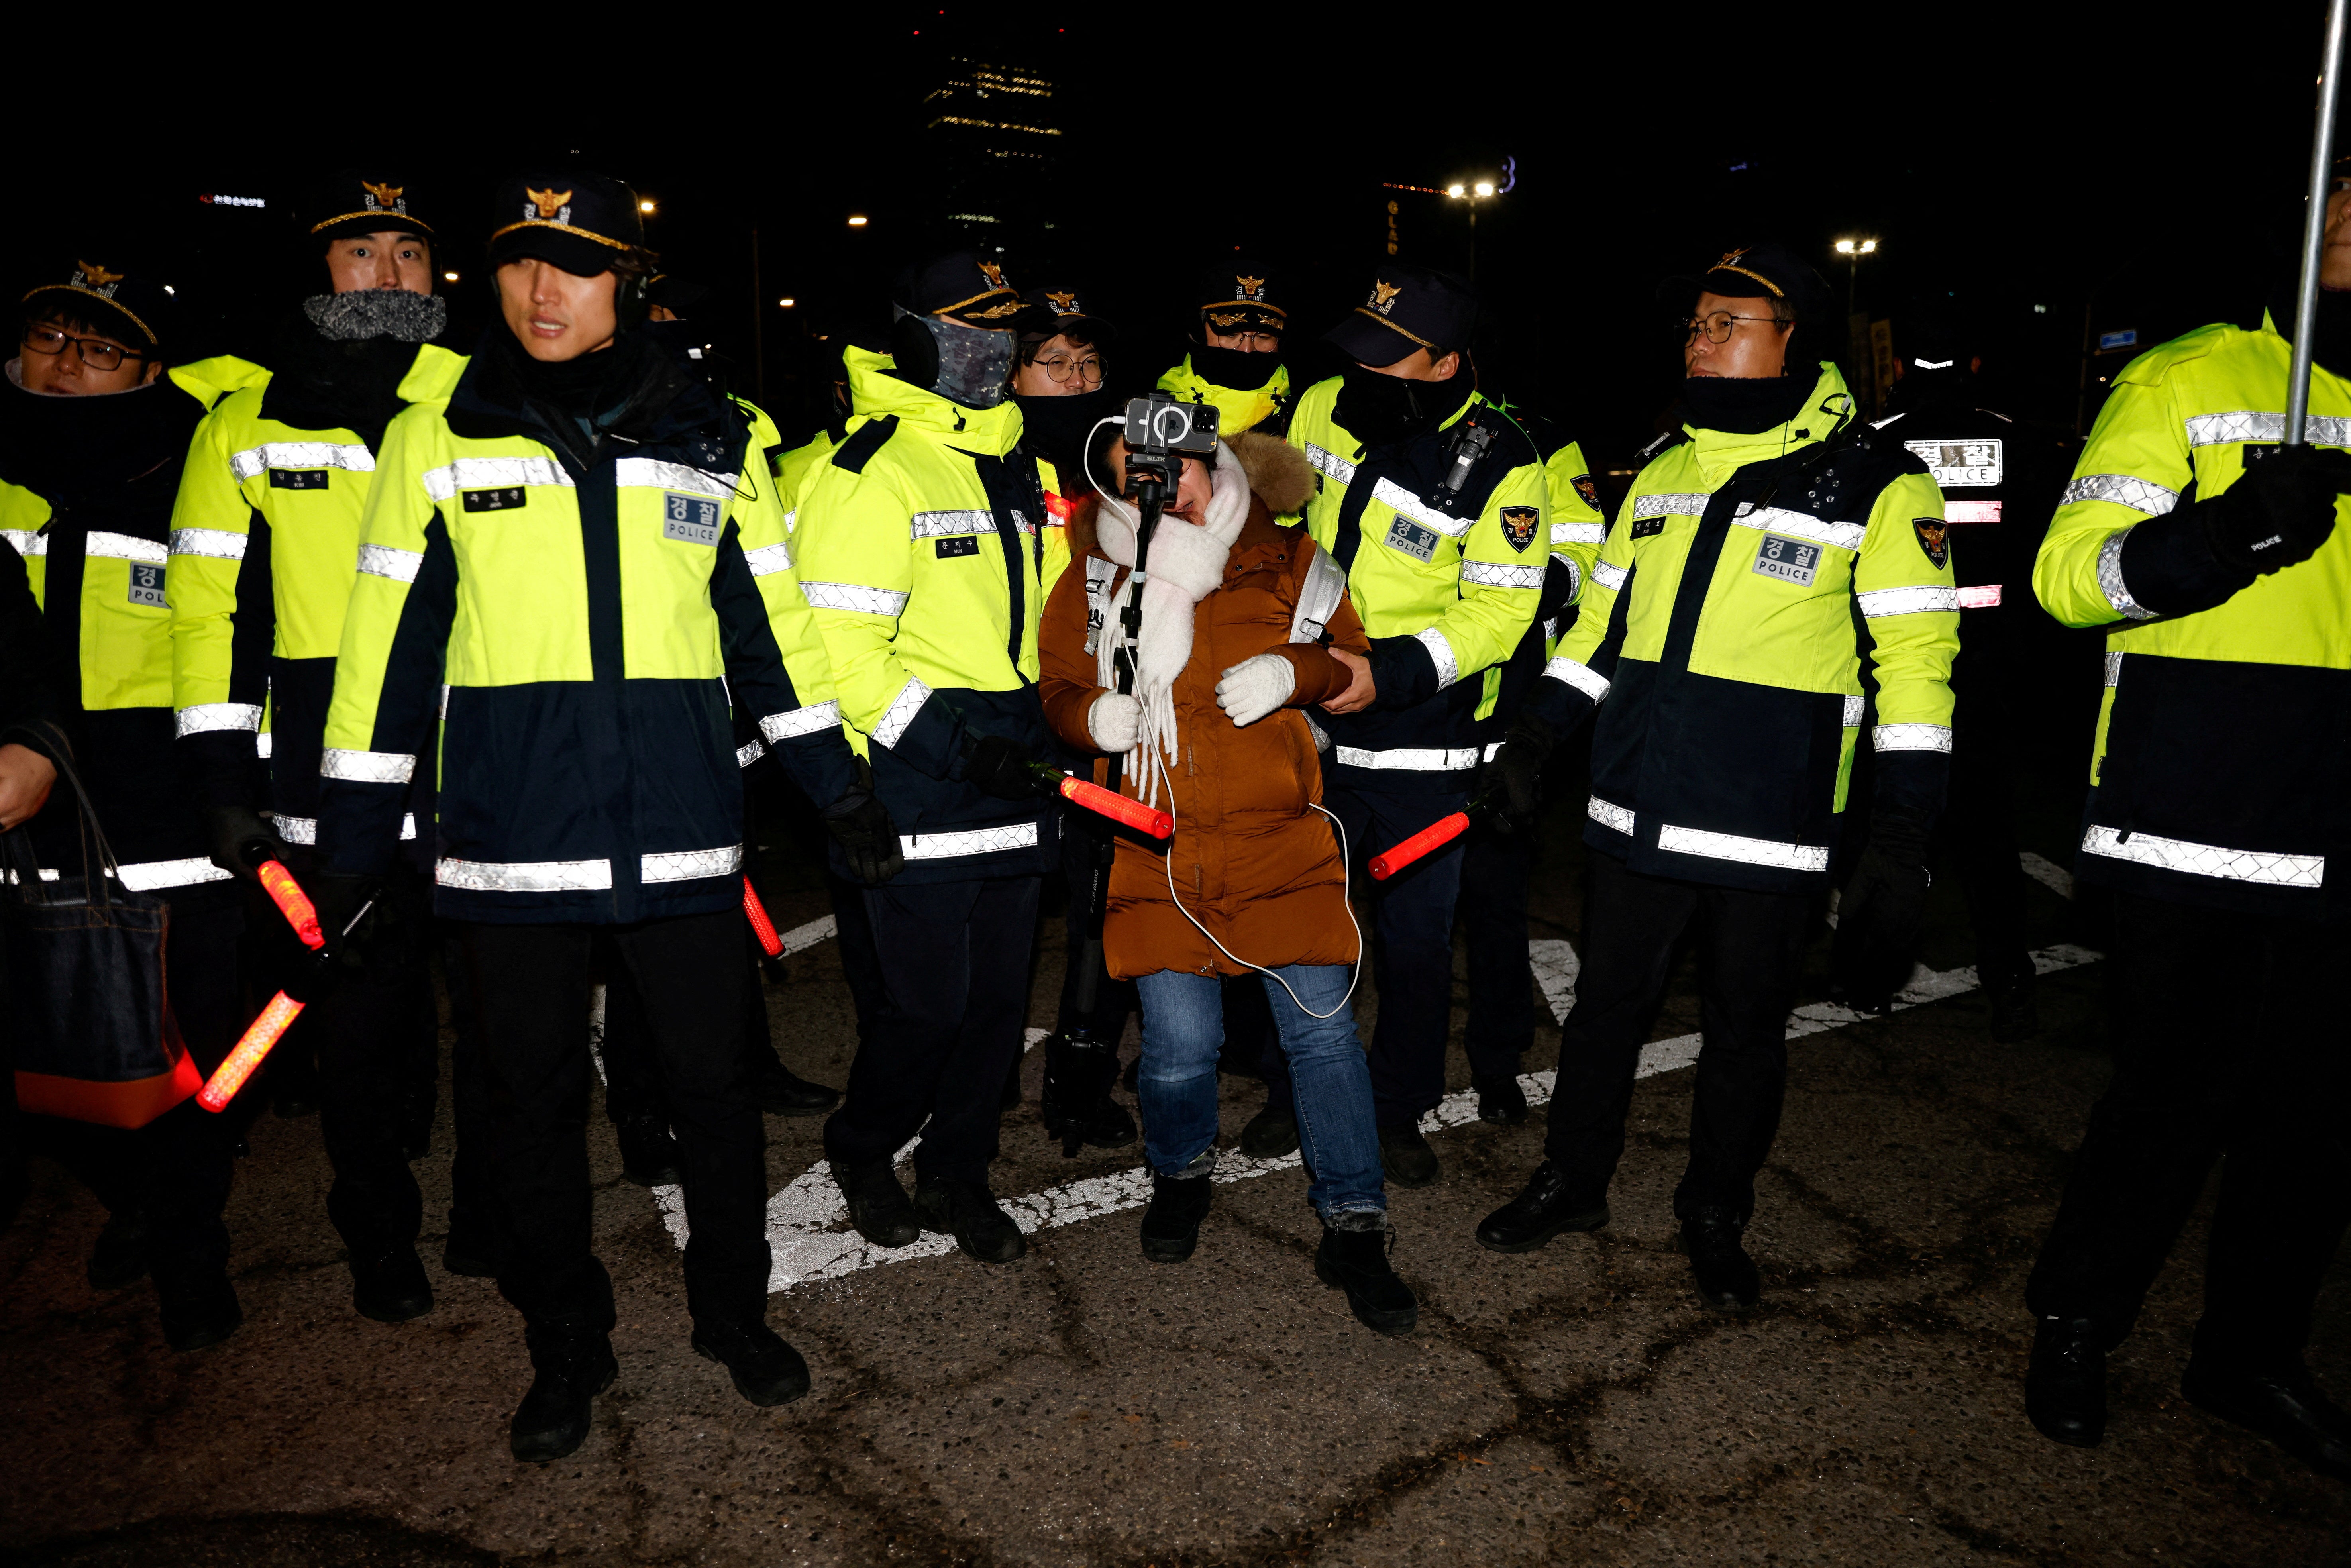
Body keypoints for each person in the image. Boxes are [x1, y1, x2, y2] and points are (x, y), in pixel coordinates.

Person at [317, 170, 887, 1462]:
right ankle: (563, 1345)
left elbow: (774, 633)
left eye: (573, 265)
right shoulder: (441, 429)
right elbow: (382, 658)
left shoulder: (715, 427)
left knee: (715, 1092)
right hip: (512, 848)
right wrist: (348, 855)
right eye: (519, 263)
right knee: (524, 1112)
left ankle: (732, 1316)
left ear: (626, 281)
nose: (539, 290)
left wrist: (837, 790)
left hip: (684, 834)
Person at [1475, 243, 1959, 1311]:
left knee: (1745, 1029)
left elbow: (1918, 666)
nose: (1700, 337)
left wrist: (1900, 835)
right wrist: (1535, 737)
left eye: (1728, 322)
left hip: (1765, 825)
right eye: (1696, 321)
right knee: (1605, 1010)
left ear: (1796, 340)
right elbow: (1600, 627)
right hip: (1634, 804)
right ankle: (1572, 1180)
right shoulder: (1660, 468)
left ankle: (1714, 1211)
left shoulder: (1880, 480)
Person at [2017, 169, 2351, 1479]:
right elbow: (2068, 577)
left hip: (2344, 824)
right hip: (2199, 812)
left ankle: (2249, 1354)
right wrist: (2215, 538)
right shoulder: (2189, 379)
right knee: (2170, 1102)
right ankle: (2078, 1319)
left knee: (2317, 1123)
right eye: (2337, 212)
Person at [1039, 422, 1414, 1329]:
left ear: (1216, 464)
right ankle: (1178, 1175)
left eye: (1178, 466)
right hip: (1157, 851)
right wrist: (1094, 719)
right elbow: (1055, 690)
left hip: (1280, 844)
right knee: (1175, 1052)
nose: (1164, 488)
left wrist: (1300, 670)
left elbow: (1359, 677)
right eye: (1138, 479)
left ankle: (1354, 1223)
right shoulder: (1096, 574)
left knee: (1322, 1043)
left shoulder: (1287, 555)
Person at [168, 171, 462, 1323]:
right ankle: (375, 1224)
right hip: (317, 770)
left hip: (471, 745)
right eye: (359, 255)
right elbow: (210, 611)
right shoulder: (244, 419)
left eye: (404, 254)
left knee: (502, 1006)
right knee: (350, 1012)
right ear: (322, 271)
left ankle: (492, 1207)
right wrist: (222, 780)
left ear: (434, 272)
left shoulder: (482, 394)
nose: (383, 276)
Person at [1, 255, 267, 1351]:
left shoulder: (189, 475)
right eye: (50, 339)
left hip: (166, 813)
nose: (66, 367)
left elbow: (237, 636)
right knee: (46, 1051)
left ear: (150, 366)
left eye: (100, 347)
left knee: (207, 1048)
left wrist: (239, 791)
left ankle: (189, 1233)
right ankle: (140, 1198)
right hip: (25, 813)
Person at [794, 252, 1059, 1266]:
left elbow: (1039, 619)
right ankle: (863, 1148)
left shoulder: (1018, 463)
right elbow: (839, 652)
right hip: (917, 768)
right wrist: (956, 747)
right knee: (926, 1007)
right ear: (911, 339)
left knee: (996, 1005)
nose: (991, 351)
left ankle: (957, 1170)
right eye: (966, 330)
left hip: (1015, 757)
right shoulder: (867, 471)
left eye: (1004, 332)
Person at [1284, 263, 1547, 1187]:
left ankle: (1397, 1107)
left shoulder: (1505, 462)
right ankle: (1299, 1088)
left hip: (1422, 743)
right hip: (1304, 721)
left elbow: (1496, 617)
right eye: (1356, 345)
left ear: (1444, 363)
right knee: (1295, 920)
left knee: (1412, 941)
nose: (1360, 370)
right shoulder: (1320, 403)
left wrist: (1385, 672)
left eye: (1385, 357)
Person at [1870, 318, 2047, 1037]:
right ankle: (2010, 979)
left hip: (1898, 661)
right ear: (1972, 361)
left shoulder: (1877, 435)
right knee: (1986, 833)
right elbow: (2040, 553)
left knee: (1886, 823)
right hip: (1984, 669)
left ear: (1901, 364)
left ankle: (1871, 974)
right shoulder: (2013, 436)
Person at [1006, 283, 1135, 1150]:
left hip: (1104, 710)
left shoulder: (1124, 456)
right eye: (1053, 362)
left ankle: (1081, 1074)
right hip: (1012, 711)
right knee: (1013, 911)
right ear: (1010, 375)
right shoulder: (992, 455)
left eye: (1088, 361)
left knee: (1105, 900)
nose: (1076, 376)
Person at [1158, 259, 1293, 439]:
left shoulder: (1303, 412)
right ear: (1200, 334)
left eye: (1263, 337)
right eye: (1231, 335)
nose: (1247, 349)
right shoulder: (1159, 409)